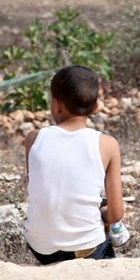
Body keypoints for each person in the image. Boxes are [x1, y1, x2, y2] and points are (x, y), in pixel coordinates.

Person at [23, 65, 126, 265]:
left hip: (41, 249)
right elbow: (116, 214)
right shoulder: (107, 144)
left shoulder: (34, 139)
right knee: (103, 217)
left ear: (56, 104)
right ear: (95, 107)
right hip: (86, 249)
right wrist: (103, 215)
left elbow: (43, 186)